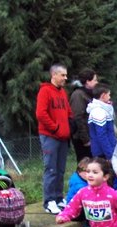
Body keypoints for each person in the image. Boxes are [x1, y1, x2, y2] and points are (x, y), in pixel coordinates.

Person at [36, 63, 72, 215]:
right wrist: (55, 128)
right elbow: (41, 113)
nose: (65, 78)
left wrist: (70, 125)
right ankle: (49, 200)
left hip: (63, 136)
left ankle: (58, 197)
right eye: (62, 75)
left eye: (66, 75)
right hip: (50, 136)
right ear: (54, 75)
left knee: (60, 169)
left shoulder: (62, 92)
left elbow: (68, 111)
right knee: (51, 168)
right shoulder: (45, 91)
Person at [70, 68, 98, 161]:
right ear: (88, 82)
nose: (97, 82)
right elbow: (78, 117)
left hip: (91, 135)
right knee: (85, 164)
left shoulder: (89, 94)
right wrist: (85, 139)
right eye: (95, 80)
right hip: (82, 139)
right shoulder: (78, 95)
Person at [87, 84, 117, 159]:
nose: (110, 97)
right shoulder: (98, 111)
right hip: (102, 153)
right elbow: (102, 135)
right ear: (103, 96)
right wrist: (110, 155)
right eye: (109, 95)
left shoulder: (103, 109)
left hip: (108, 150)